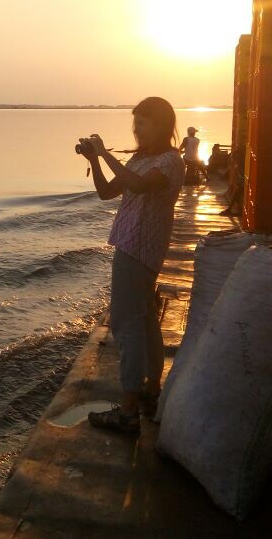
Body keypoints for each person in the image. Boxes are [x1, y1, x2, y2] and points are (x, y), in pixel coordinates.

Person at [76, 96, 185, 435]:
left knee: (127, 325)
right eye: (134, 123)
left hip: (140, 250)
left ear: (162, 125)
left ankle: (127, 410)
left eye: (143, 123)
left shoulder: (170, 161)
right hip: (130, 246)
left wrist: (105, 152)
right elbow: (108, 192)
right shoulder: (140, 158)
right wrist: (95, 160)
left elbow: (138, 185)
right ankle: (151, 388)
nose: (136, 130)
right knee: (144, 318)